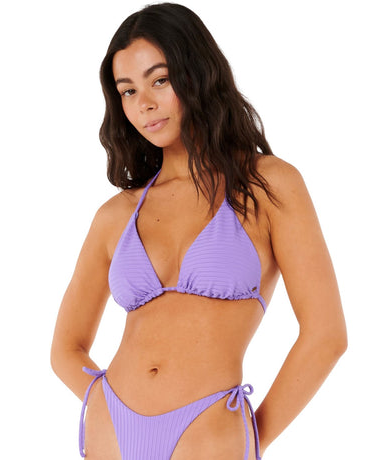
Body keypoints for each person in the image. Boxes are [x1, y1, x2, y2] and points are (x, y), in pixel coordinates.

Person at [50, 3, 347, 459]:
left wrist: (251, 437)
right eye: (128, 90)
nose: (144, 103)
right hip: (110, 434)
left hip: (209, 436)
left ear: (198, 73)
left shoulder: (268, 185)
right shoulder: (116, 214)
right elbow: (65, 349)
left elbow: (326, 335)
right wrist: (102, 403)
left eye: (160, 80)